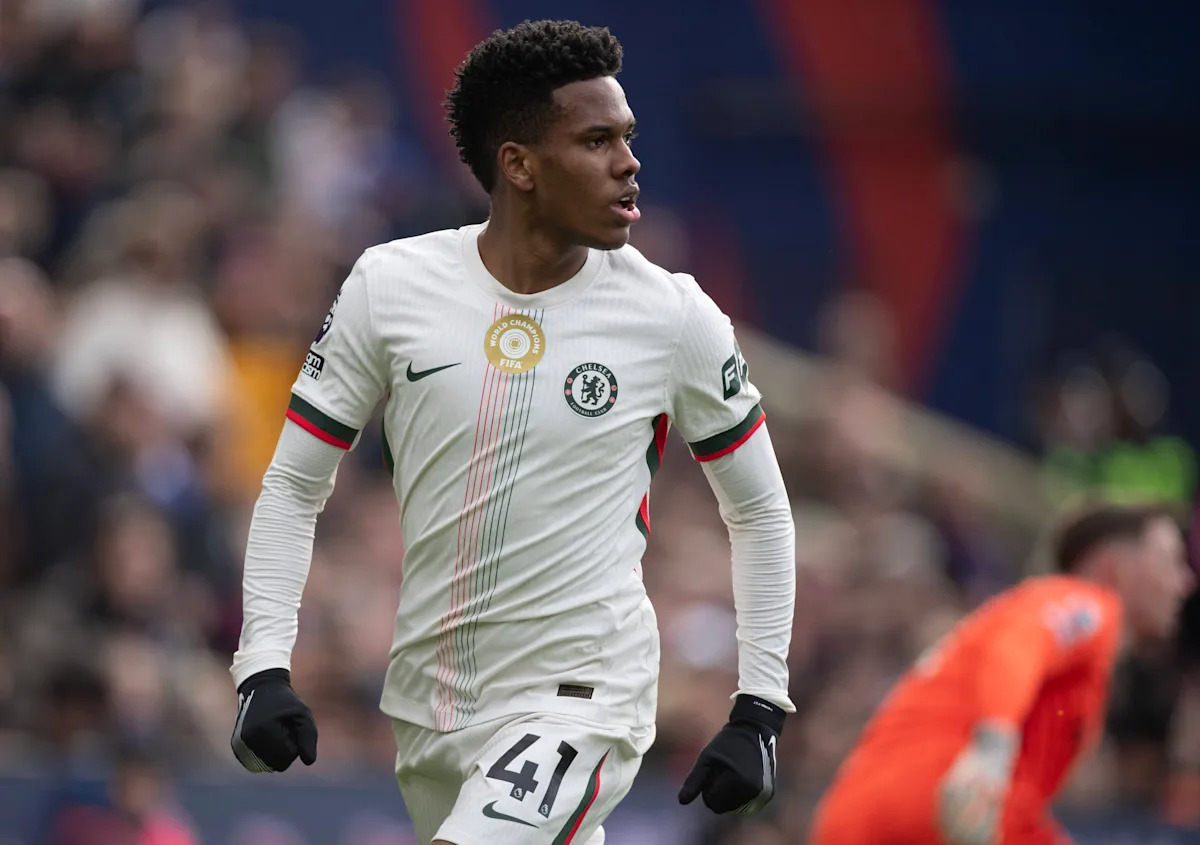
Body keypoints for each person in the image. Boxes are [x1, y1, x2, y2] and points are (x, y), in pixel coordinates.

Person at [228, 20, 796, 845]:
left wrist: (760, 705)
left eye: (628, 138)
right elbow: (293, 483)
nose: (628, 162)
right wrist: (262, 663)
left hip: (583, 694)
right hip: (427, 704)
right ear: (520, 165)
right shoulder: (390, 287)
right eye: (597, 140)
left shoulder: (672, 314)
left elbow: (760, 509)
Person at [809, 503, 1193, 845]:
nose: (1185, 582)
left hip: (867, 812)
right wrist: (991, 750)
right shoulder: (1086, 602)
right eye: (1170, 561)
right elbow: (1020, 643)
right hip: (938, 804)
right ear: (1114, 567)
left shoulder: (1063, 641)